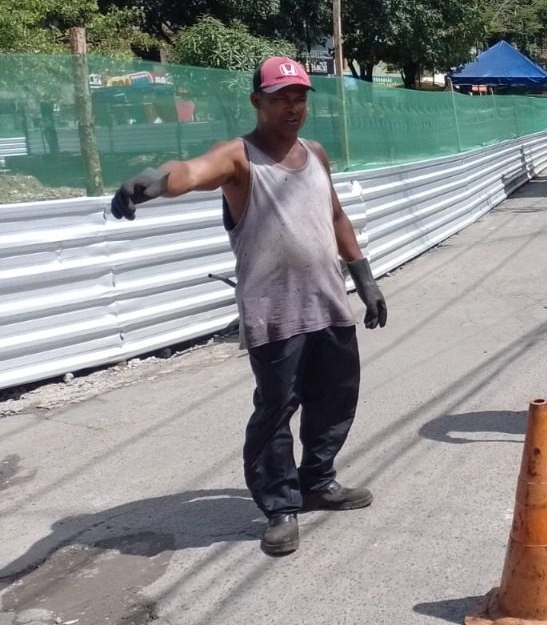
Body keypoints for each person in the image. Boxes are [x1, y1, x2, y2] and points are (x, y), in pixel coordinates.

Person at [109, 56, 389, 557]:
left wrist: (365, 280)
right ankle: (280, 508)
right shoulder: (239, 157)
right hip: (274, 312)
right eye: (280, 96)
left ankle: (317, 481)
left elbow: (337, 215)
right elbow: (193, 170)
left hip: (328, 303)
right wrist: (156, 179)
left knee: (336, 398)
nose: (291, 106)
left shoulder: (316, 153)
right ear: (257, 100)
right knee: (276, 411)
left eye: (299, 96)